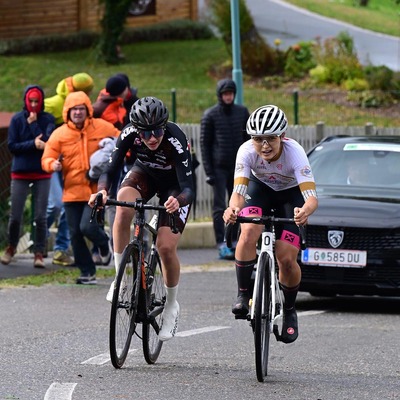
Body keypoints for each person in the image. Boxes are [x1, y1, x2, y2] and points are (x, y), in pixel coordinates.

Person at [89, 96, 194, 341]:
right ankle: (121, 279)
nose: (152, 138)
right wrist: (103, 191)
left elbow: (189, 187)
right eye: (145, 133)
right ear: (137, 130)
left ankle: (171, 306)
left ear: (164, 126)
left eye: (157, 131)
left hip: (174, 187)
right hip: (144, 173)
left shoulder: (176, 138)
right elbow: (110, 169)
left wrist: (178, 200)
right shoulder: (128, 133)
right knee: (123, 208)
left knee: (165, 247)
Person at [223, 105, 318, 344]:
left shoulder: (294, 153)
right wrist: (233, 208)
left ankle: (289, 310)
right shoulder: (246, 151)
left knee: (286, 258)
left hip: (291, 197)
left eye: (271, 139)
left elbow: (311, 198)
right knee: (248, 231)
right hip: (261, 191)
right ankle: (243, 294)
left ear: (282, 137)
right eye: (258, 139)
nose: (264, 146)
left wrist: (303, 212)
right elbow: (238, 191)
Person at [42, 91, 119, 284]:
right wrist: (53, 165)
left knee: (88, 226)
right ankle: (87, 271)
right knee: (75, 233)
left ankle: (103, 243)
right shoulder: (60, 134)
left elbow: (121, 140)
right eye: (74, 109)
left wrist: (113, 158)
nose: (77, 112)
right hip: (72, 192)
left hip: (95, 190)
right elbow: (47, 157)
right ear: (67, 112)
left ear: (87, 110)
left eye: (81, 109)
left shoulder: (101, 127)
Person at [1, 85, 55, 267]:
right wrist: (33, 144)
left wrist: (33, 124)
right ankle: (11, 246)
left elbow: (48, 142)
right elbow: (13, 146)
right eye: (30, 101)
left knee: (40, 216)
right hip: (20, 173)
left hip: (42, 172)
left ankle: (39, 252)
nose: (33, 105)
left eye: (36, 101)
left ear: (41, 102)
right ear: (25, 100)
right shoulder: (17, 119)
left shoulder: (48, 119)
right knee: (15, 216)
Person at [44, 72, 94, 267]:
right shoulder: (54, 104)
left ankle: (60, 249)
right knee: (57, 204)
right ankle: (40, 235)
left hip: (72, 164)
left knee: (67, 205)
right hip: (53, 162)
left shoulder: (82, 107)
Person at [200, 78, 250, 260]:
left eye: (231, 93)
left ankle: (234, 241)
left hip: (238, 168)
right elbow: (205, 145)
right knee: (220, 206)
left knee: (237, 205)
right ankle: (221, 242)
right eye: (225, 94)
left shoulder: (242, 112)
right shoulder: (210, 115)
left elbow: (249, 141)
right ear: (220, 95)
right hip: (219, 168)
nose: (228, 96)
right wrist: (209, 172)